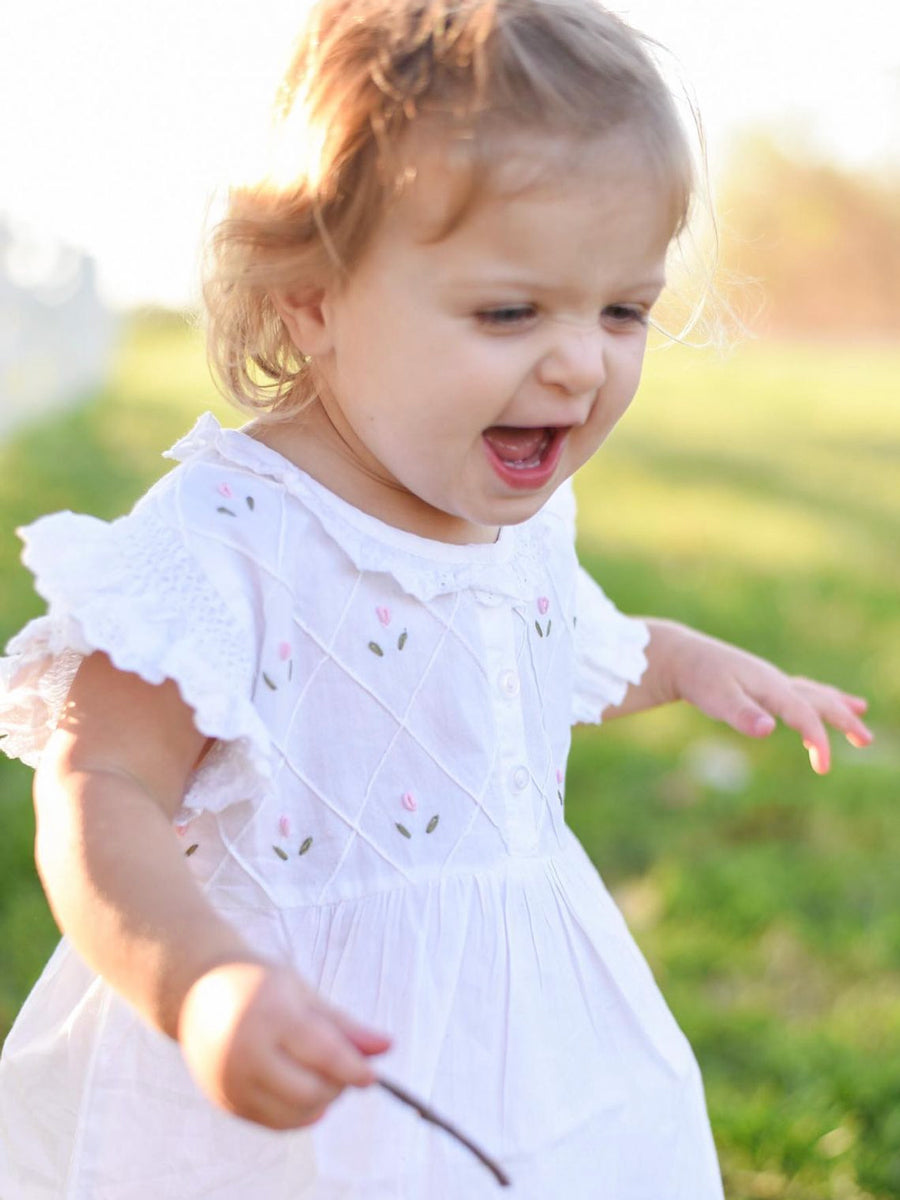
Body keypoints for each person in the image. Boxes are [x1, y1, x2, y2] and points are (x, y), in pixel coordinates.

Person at [0, 0, 872, 1196]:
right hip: (290, 1061)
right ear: (312, 296)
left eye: (623, 309)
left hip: (523, 1045)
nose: (581, 362)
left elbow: (522, 672)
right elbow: (101, 792)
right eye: (509, 311)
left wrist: (689, 659)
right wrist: (199, 982)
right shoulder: (225, 542)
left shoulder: (513, 521)